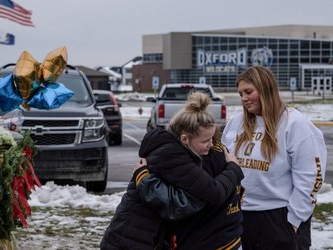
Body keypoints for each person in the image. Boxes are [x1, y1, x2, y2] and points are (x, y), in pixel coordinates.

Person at [101, 92, 244, 250]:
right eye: (205, 141)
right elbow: (192, 200)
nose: (211, 145)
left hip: (141, 236)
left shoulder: (179, 151)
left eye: (212, 139)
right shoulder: (172, 157)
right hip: (131, 239)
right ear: (185, 139)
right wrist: (233, 168)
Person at [222, 65, 327, 250]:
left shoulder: (294, 123)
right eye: (240, 94)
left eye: (248, 92)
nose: (244, 98)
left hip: (279, 217)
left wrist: (293, 221)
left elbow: (310, 178)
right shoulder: (236, 123)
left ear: (265, 89)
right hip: (241, 215)